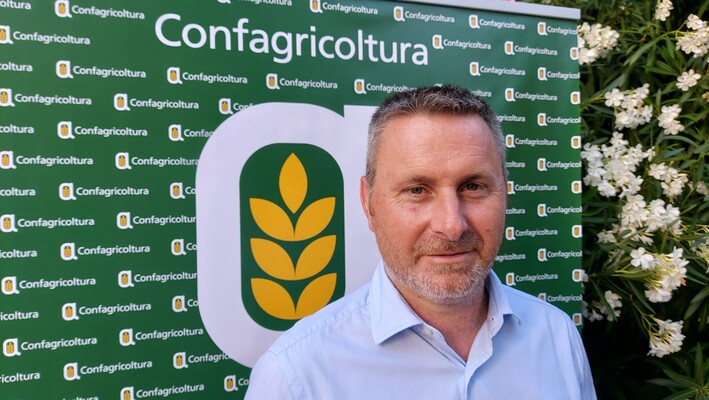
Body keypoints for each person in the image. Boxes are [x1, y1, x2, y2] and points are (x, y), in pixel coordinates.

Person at [245, 85, 596, 399]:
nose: (452, 226)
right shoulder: (297, 375)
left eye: (473, 186)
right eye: (417, 190)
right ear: (368, 203)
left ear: (505, 192)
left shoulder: (557, 336)